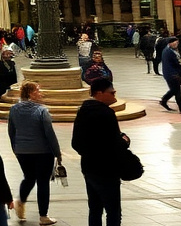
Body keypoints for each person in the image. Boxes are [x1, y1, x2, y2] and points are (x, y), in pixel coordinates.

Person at [72, 79, 129, 226]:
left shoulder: (82, 111)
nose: (114, 95)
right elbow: (114, 143)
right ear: (99, 93)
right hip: (107, 170)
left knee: (95, 209)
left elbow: (75, 143)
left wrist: (90, 153)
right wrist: (125, 141)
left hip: (89, 168)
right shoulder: (106, 113)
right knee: (113, 211)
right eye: (112, 92)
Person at [7, 82, 61, 225]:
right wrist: (57, 153)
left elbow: (11, 132)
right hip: (42, 151)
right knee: (43, 182)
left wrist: (16, 148)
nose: (40, 93)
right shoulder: (42, 110)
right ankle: (43, 216)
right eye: (37, 90)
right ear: (30, 93)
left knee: (29, 177)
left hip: (22, 151)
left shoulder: (13, 109)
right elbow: (49, 133)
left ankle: (20, 202)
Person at [159, 38, 181, 114]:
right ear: (170, 43)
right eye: (175, 43)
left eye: (177, 43)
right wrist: (178, 74)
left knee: (174, 90)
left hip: (170, 73)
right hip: (172, 74)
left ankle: (164, 101)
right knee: (177, 91)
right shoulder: (169, 52)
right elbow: (175, 64)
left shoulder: (168, 50)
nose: (176, 45)